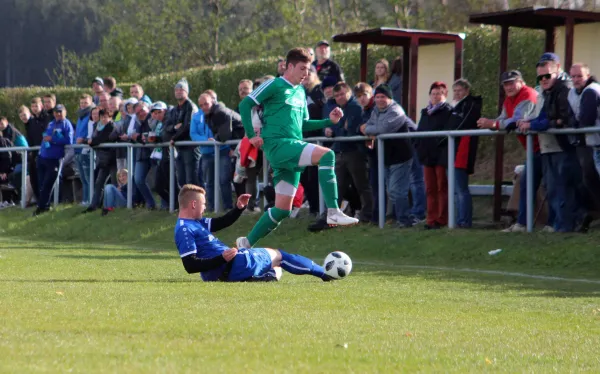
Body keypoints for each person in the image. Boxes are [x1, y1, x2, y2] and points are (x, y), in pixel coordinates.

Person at [236, 48, 358, 248]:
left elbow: (303, 124)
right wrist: (251, 135)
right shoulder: (274, 84)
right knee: (327, 156)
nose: (306, 74)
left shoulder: (301, 91)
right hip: (278, 145)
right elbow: (245, 105)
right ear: (289, 66)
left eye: (308, 69)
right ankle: (333, 212)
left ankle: (245, 243)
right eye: (302, 68)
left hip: (290, 147)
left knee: (282, 209)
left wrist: (329, 120)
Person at [174, 184, 337, 282]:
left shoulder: (194, 222)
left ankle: (264, 277)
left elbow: (222, 222)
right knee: (278, 256)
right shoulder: (184, 229)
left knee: (276, 269)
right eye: (203, 204)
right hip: (231, 265)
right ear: (193, 204)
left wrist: (238, 209)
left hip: (223, 270)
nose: (204, 207)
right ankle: (324, 273)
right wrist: (221, 258)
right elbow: (190, 265)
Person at [477, 70, 553, 232]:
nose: (509, 87)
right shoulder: (509, 100)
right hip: (533, 149)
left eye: (512, 82)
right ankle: (523, 223)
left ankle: (552, 224)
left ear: (521, 82)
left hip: (545, 147)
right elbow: (503, 119)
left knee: (550, 185)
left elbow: (516, 121)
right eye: (506, 84)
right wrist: (490, 123)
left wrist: (492, 124)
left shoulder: (528, 94)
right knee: (526, 184)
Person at [518, 56, 581, 233]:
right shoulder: (546, 92)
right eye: (540, 77)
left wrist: (534, 125)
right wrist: (527, 122)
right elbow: (544, 117)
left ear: (557, 70)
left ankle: (565, 225)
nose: (543, 80)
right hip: (549, 147)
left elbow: (561, 119)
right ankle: (559, 225)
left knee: (563, 187)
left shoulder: (564, 89)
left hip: (563, 146)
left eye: (547, 76)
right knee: (552, 187)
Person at [360, 84, 415, 228]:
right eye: (377, 97)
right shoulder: (375, 111)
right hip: (386, 157)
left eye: (383, 97)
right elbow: (368, 126)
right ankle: (402, 219)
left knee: (397, 190)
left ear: (390, 98)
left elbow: (382, 128)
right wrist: (369, 129)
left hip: (401, 157)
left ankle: (405, 220)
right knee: (391, 190)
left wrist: (369, 130)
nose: (379, 100)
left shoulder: (396, 111)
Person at [325, 82, 373, 223]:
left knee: (362, 185)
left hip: (354, 151)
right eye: (337, 95)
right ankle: (332, 216)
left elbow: (352, 130)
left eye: (342, 94)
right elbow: (337, 128)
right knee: (336, 186)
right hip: (340, 151)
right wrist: (334, 130)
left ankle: (367, 215)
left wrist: (337, 131)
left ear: (349, 93)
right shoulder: (338, 108)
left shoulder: (355, 108)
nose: (340, 97)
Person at [415, 82, 453, 230]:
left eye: (439, 93)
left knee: (441, 187)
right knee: (430, 188)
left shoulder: (448, 111)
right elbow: (420, 131)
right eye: (433, 93)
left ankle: (441, 219)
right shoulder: (425, 112)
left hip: (440, 155)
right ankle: (430, 218)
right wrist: (419, 146)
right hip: (426, 155)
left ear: (445, 95)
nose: (436, 96)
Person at [567, 63, 600, 231]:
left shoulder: (592, 90)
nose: (576, 80)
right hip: (592, 144)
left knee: (591, 179)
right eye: (573, 76)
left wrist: (575, 122)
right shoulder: (572, 93)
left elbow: (586, 119)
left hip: (596, 142)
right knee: (589, 179)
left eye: (579, 76)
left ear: (587, 76)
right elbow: (569, 118)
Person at [447, 79, 482, 228]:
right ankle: (456, 220)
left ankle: (464, 221)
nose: (457, 94)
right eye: (455, 91)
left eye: (459, 90)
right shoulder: (455, 107)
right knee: (454, 188)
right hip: (451, 148)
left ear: (467, 90)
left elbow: (460, 124)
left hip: (463, 147)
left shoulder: (471, 104)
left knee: (461, 187)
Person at [34, 104, 74, 216]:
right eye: (56, 112)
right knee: (41, 184)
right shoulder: (51, 123)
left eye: (60, 112)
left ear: (65, 112)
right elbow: (45, 138)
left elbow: (69, 140)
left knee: (47, 184)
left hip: (54, 159)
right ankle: (44, 206)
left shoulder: (67, 124)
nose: (58, 114)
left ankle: (41, 207)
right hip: (43, 157)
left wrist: (53, 139)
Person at [167, 78, 201, 187]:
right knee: (181, 180)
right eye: (176, 89)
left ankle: (198, 203)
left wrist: (174, 138)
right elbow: (166, 127)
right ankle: (186, 204)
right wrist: (175, 128)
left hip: (191, 148)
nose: (178, 91)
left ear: (186, 92)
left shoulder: (190, 106)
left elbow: (188, 126)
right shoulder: (174, 109)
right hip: (180, 148)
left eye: (181, 89)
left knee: (192, 181)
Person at [85, 108, 117, 213]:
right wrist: (90, 141)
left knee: (114, 182)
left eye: (106, 117)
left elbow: (103, 138)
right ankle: (94, 205)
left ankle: (113, 205)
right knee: (99, 183)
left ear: (110, 117)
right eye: (102, 117)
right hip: (103, 160)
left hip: (112, 159)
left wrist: (92, 142)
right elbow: (94, 139)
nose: (103, 119)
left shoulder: (111, 126)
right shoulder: (97, 126)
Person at [74, 94, 95, 206]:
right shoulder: (80, 116)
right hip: (78, 150)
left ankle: (89, 200)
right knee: (83, 178)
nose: (83, 105)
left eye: (85, 103)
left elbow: (90, 132)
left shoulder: (91, 115)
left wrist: (83, 140)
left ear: (91, 103)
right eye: (81, 103)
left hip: (86, 150)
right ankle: (85, 200)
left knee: (88, 178)